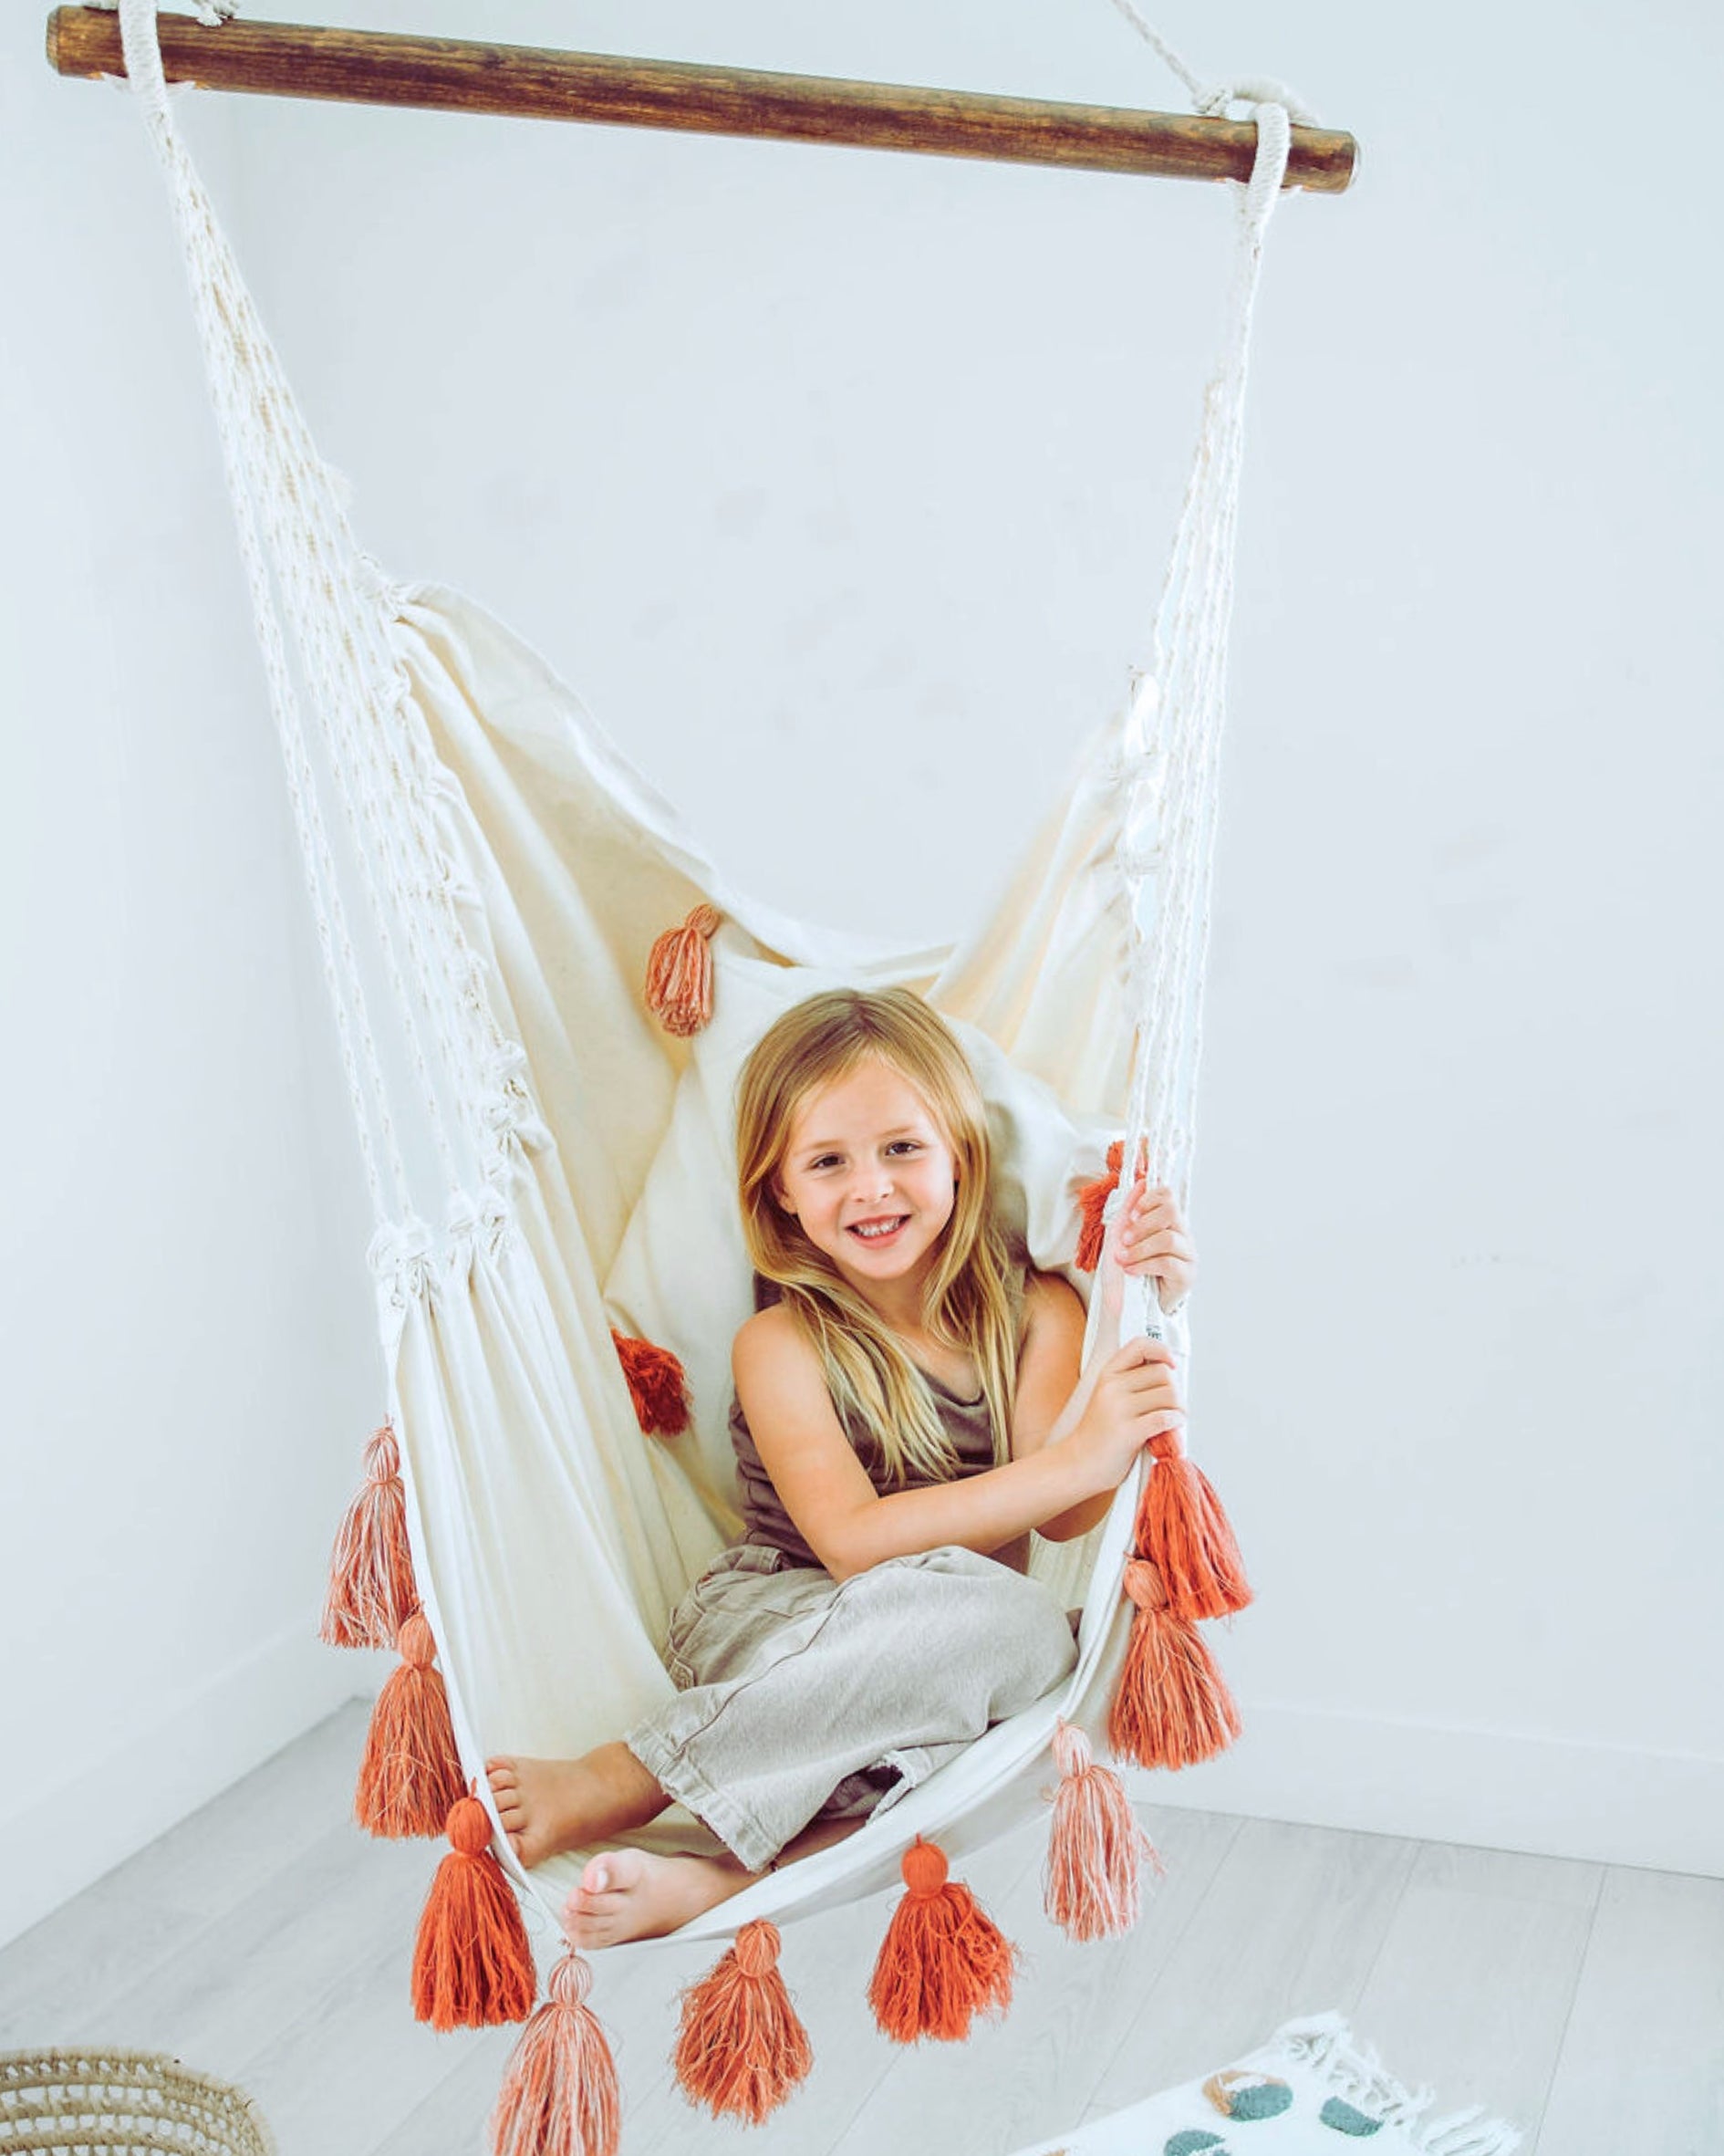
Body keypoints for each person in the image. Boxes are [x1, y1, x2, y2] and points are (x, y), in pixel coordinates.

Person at [486, 986, 1192, 1944]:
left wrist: (1130, 1306)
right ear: (780, 1188)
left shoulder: (1037, 1313)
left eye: (903, 1147)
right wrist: (1079, 1456)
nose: (872, 1188)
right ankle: (632, 1772)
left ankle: (724, 1881)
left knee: (1033, 1642)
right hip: (784, 1623)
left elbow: (1068, 1517)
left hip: (945, 1651)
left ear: (959, 1150)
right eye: (828, 1162)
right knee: (989, 1628)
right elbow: (857, 1544)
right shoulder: (781, 1342)